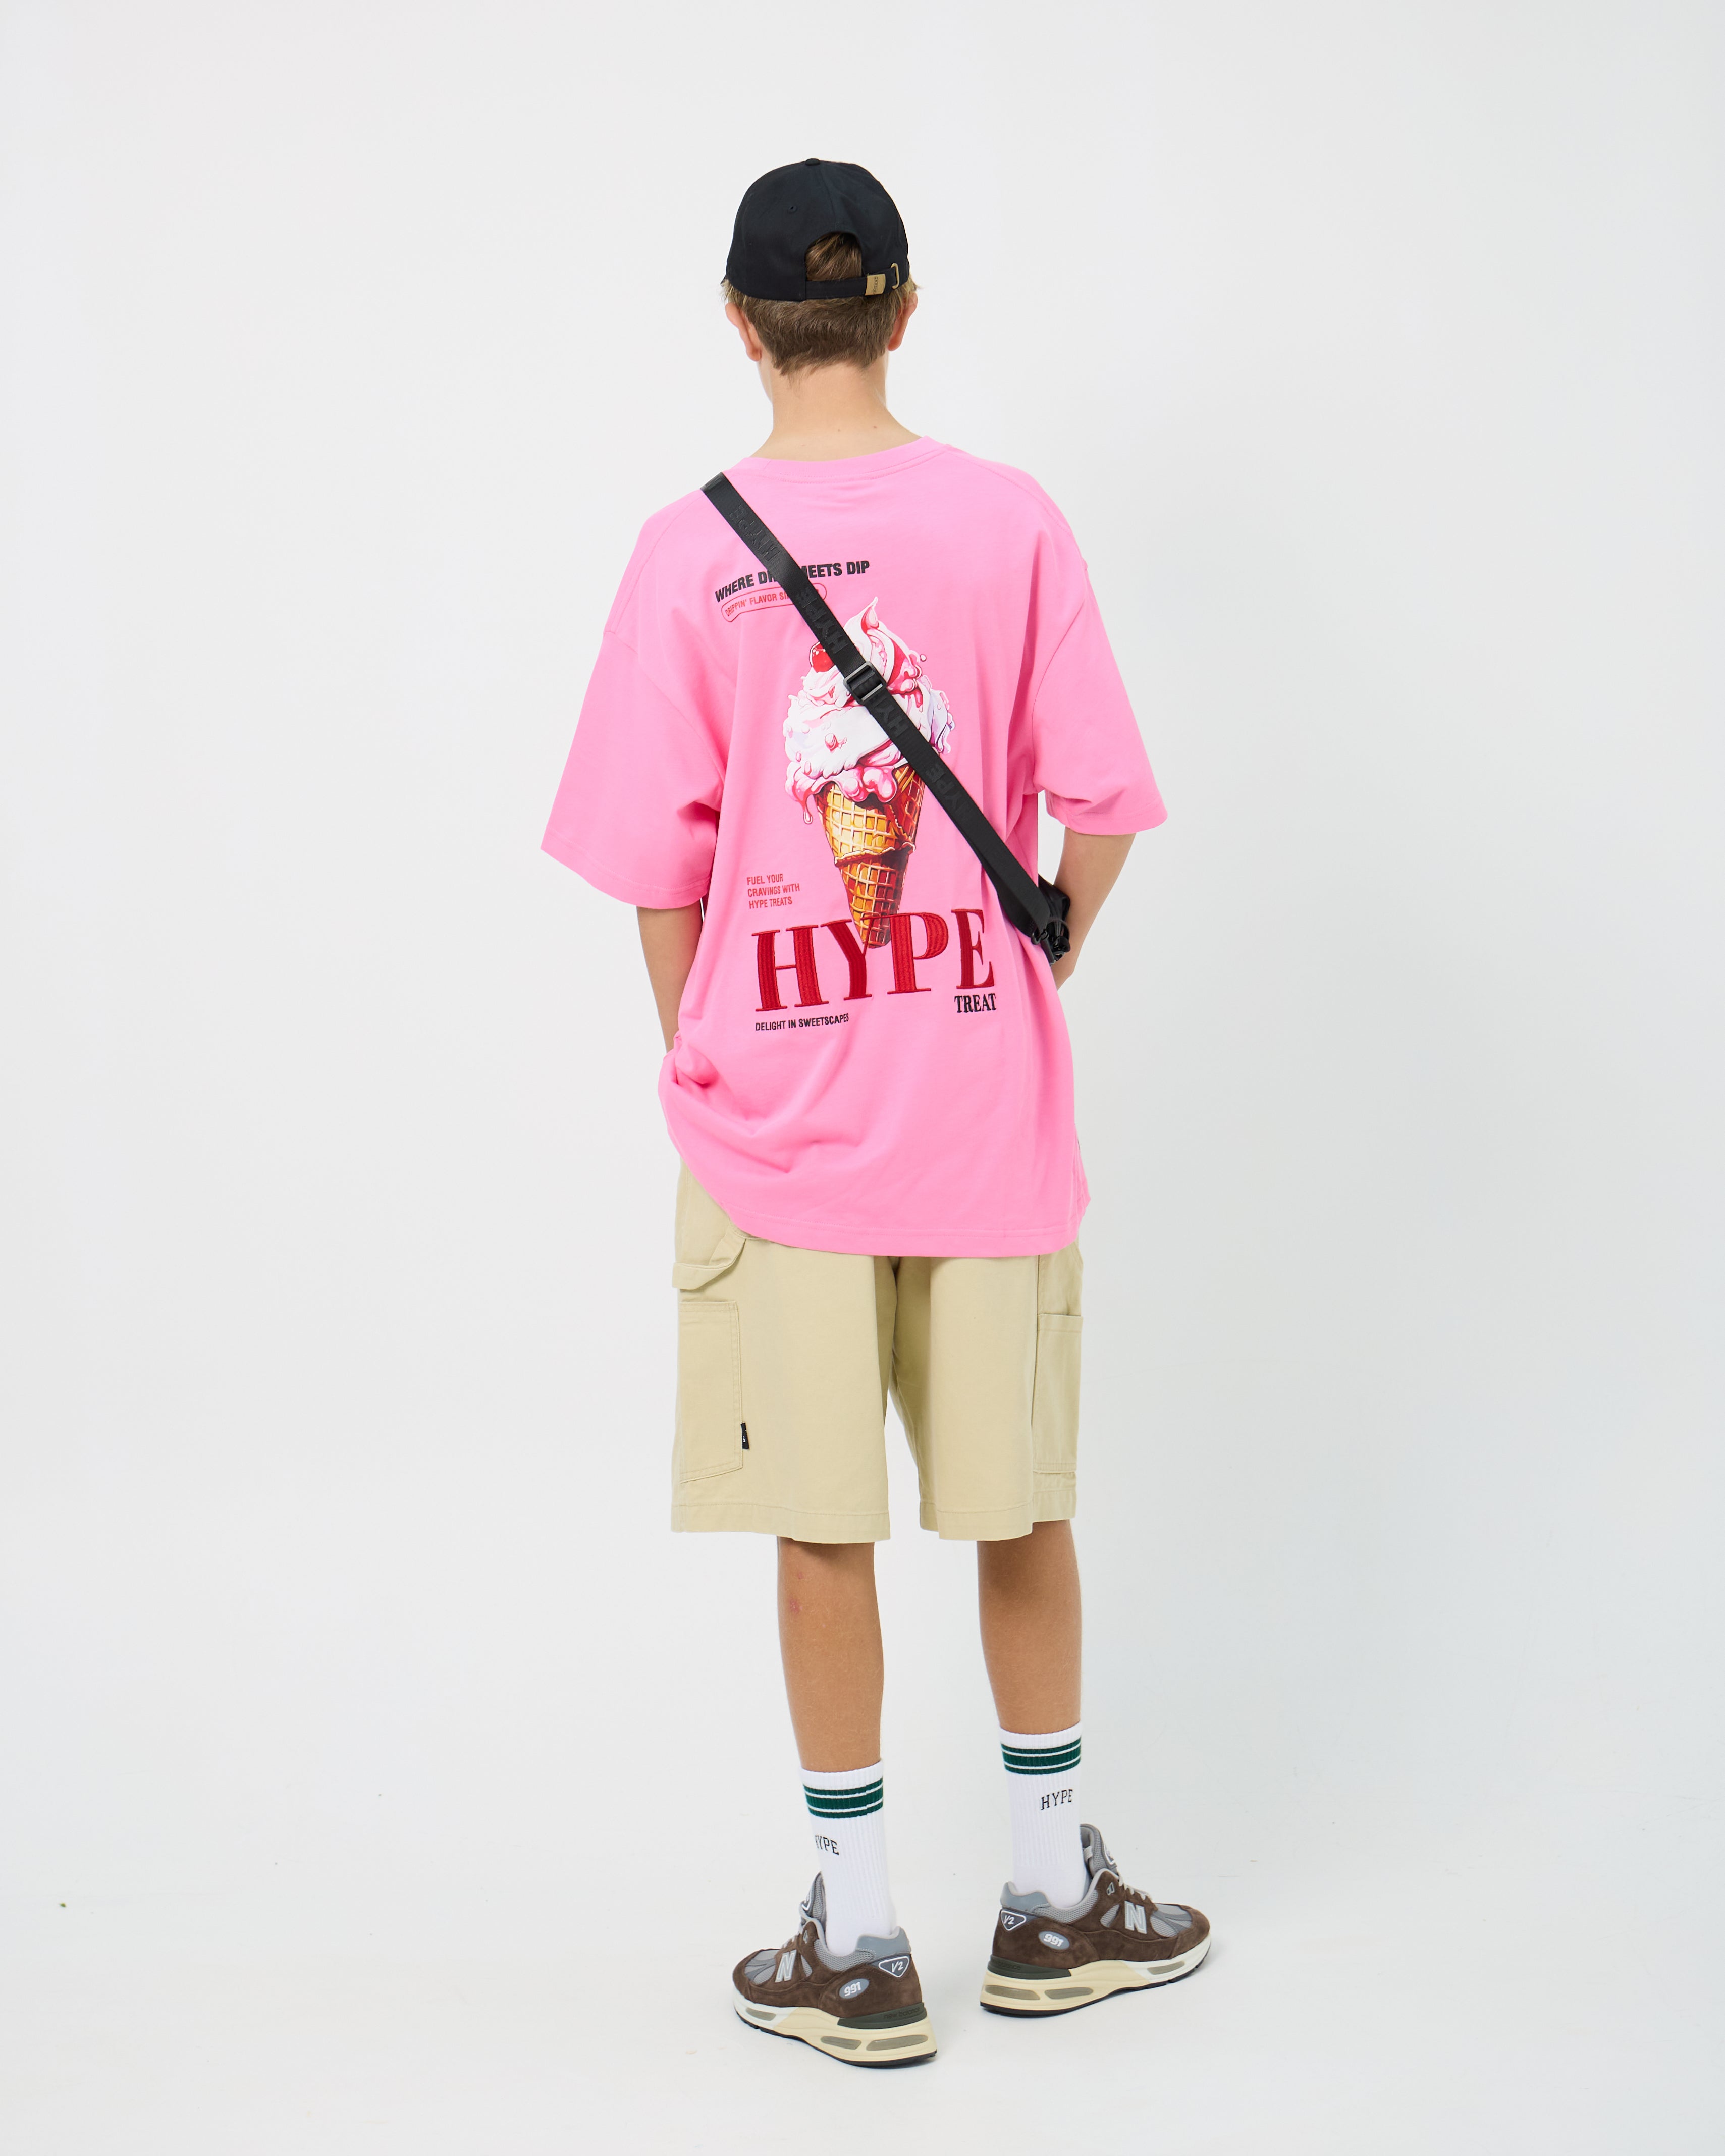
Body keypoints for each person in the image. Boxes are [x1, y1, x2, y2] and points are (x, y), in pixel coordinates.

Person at [543, 159, 1209, 2067]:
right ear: (904, 311)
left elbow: (656, 866)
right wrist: (1034, 953)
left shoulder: (685, 553)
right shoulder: (1007, 522)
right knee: (1019, 1506)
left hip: (778, 1131)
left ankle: (855, 1938)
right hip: (983, 1113)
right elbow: (1103, 803)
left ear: (739, 325)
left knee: (819, 1528)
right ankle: (1052, 1897)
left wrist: (703, 1050)